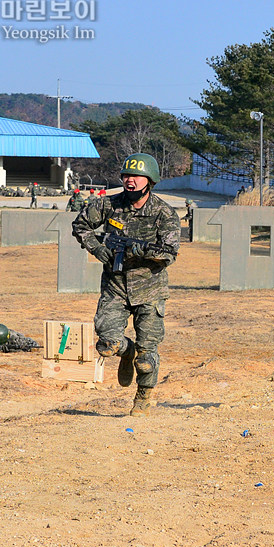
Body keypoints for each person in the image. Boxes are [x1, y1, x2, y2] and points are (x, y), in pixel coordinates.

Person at [72, 153, 180, 417]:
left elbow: (168, 254)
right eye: (126, 176)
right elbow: (81, 224)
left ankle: (143, 397)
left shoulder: (164, 213)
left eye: (136, 176)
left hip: (149, 289)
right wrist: (97, 248)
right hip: (115, 287)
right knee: (106, 344)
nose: (130, 181)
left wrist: (139, 251)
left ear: (150, 180)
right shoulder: (109, 205)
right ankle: (126, 350)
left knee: (146, 357)